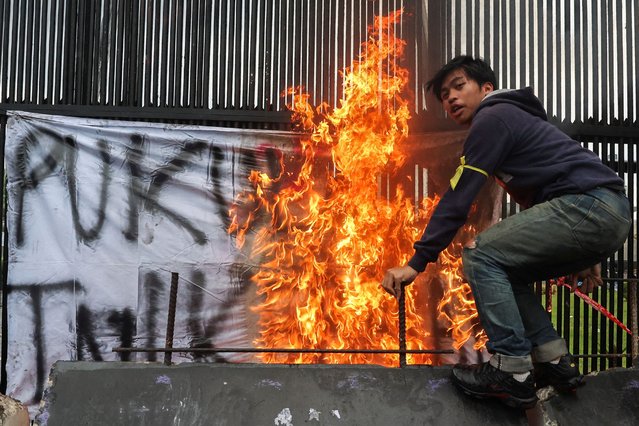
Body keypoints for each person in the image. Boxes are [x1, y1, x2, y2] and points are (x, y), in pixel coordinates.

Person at [381, 55, 631, 409]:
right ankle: (554, 361)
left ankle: (511, 368)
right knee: (506, 269)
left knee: (481, 253)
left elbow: (459, 195)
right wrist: (587, 252)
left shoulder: (492, 117)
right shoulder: (512, 120)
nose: (450, 97)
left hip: (589, 206)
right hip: (601, 212)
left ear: (486, 88)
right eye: (443, 95)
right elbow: (551, 190)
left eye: (458, 85)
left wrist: (417, 262)